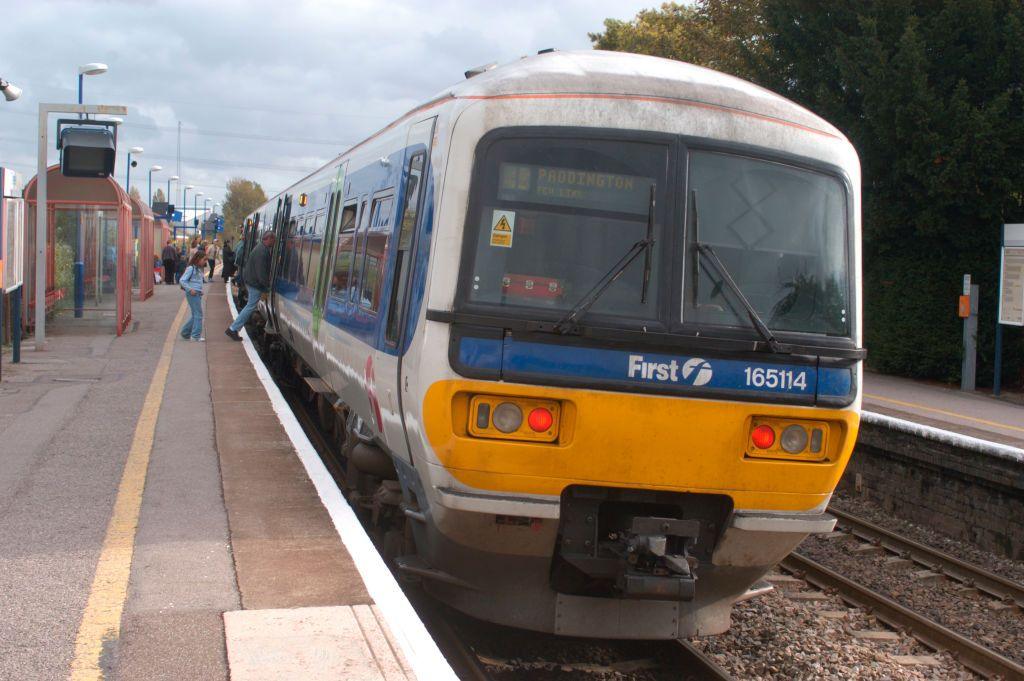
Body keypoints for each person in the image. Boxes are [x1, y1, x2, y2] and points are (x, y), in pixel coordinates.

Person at [226, 231, 275, 341]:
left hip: (252, 282)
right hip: (255, 284)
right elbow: (261, 272)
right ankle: (233, 328)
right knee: (250, 307)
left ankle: (233, 328)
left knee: (250, 306)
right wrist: (266, 287)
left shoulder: (260, 248)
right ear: (268, 239)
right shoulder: (262, 252)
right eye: (273, 240)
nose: (274, 242)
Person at [179, 251, 208, 342]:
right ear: (198, 259)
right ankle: (195, 336)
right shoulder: (191, 268)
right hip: (192, 294)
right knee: (199, 315)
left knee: (195, 315)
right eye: (204, 260)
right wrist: (190, 289)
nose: (205, 262)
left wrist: (200, 290)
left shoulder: (198, 269)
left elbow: (196, 282)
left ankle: (185, 333)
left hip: (196, 293)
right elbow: (182, 280)